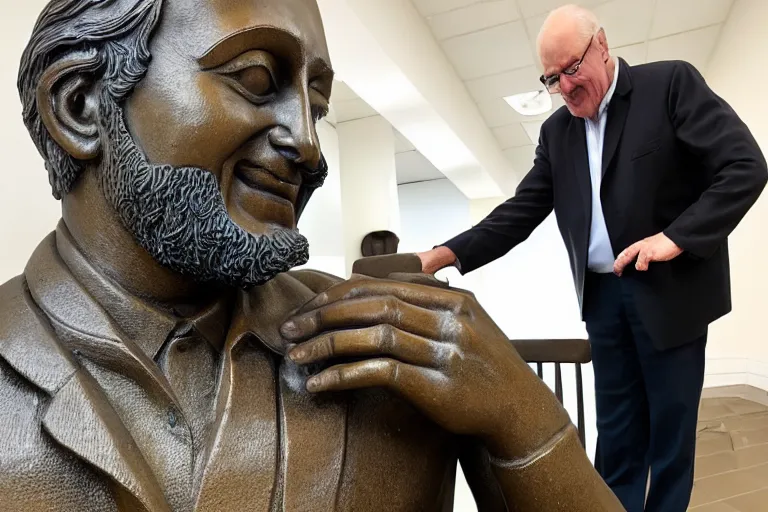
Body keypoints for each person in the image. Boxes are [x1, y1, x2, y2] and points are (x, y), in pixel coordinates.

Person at [0, 0, 625, 510]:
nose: (308, 144)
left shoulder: (395, 352)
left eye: (318, 109)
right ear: (79, 106)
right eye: (254, 79)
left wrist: (525, 427)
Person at [419, 4, 768, 512]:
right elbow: (519, 211)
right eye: (551, 77)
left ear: (601, 46)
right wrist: (442, 254)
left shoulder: (668, 85)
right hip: (604, 303)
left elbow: (744, 165)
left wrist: (675, 237)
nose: (563, 86)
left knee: (671, 442)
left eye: (572, 68)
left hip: (671, 294)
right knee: (618, 439)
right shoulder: (556, 134)